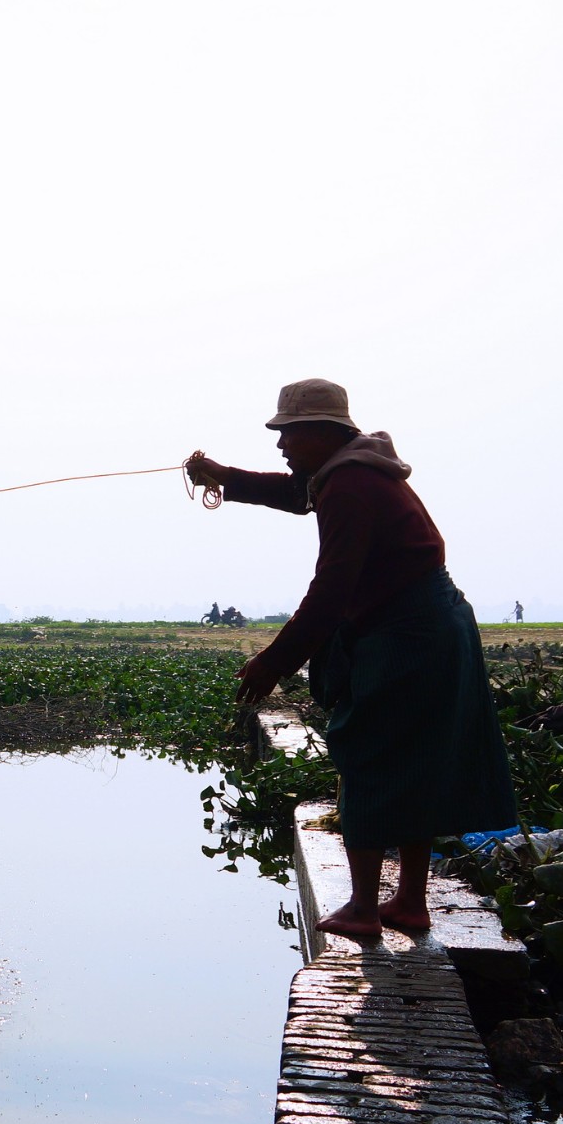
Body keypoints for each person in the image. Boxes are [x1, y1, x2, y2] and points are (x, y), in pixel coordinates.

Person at [185, 379, 516, 938]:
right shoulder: (351, 472)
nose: (281, 445)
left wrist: (275, 662)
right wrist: (223, 477)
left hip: (409, 630)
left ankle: (364, 908)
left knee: (366, 750)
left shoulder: (351, 484)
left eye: (288, 433)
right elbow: (295, 495)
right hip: (428, 622)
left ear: (322, 433)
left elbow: (332, 589)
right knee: (418, 758)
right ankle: (409, 900)